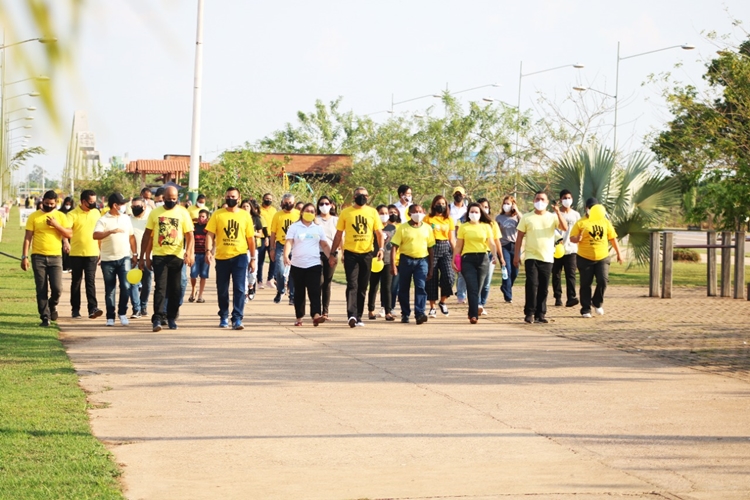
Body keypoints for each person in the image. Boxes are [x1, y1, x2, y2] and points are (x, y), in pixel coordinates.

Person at [140, 186, 195, 331]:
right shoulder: (155, 213)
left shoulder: (183, 212)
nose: (171, 201)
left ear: (177, 198)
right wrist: (144, 256)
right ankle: (157, 318)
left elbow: (190, 235)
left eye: (174, 199)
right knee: (160, 288)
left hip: (176, 256)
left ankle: (171, 317)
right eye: (169, 198)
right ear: (163, 198)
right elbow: (147, 235)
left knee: (176, 289)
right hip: (160, 256)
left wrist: (189, 252)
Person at [329, 187, 384, 328]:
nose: (362, 197)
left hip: (367, 253)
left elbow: (378, 233)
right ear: (354, 197)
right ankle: (351, 315)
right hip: (351, 253)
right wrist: (333, 252)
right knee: (352, 284)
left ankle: (359, 316)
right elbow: (338, 234)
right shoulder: (346, 212)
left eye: (365, 195)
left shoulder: (372, 212)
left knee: (363, 286)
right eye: (359, 195)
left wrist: (381, 249)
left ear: (368, 197)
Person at [513, 191, 568, 324]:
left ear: (548, 202)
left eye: (543, 199)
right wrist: (516, 255)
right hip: (531, 256)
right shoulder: (527, 217)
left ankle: (540, 313)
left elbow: (564, 227)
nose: (540, 202)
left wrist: (558, 212)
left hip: (547, 257)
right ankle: (529, 313)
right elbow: (519, 237)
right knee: (532, 284)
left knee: (543, 287)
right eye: (537, 199)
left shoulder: (552, 217)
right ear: (533, 201)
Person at [205, 187, 256, 330]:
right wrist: (208, 251)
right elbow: (210, 234)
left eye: (233, 196)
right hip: (222, 257)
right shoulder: (218, 214)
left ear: (239, 199)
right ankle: (223, 316)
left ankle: (237, 318)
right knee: (222, 289)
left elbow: (250, 238)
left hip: (240, 256)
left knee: (239, 288)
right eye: (228, 196)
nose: (230, 198)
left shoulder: (245, 216)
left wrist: (253, 258)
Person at [20, 190, 73, 327]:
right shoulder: (34, 217)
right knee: (41, 288)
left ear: (56, 203)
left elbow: (69, 233)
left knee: (57, 288)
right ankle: (45, 317)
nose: (49, 205)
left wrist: (56, 225)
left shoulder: (60, 216)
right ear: (42, 201)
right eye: (47, 203)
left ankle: (52, 305)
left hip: (56, 256)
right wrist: (24, 257)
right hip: (38, 257)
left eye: (52, 204)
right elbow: (27, 238)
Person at [569, 198, 623, 318]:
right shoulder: (581, 223)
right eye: (590, 208)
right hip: (584, 258)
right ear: (586, 209)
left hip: (602, 257)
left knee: (603, 280)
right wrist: (577, 238)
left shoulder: (605, 222)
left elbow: (612, 238)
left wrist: (619, 253)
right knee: (586, 284)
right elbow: (572, 238)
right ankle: (585, 309)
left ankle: (597, 302)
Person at [93, 193, 137, 326]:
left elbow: (131, 237)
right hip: (108, 260)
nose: (124, 206)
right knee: (110, 289)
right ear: (115, 205)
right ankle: (110, 316)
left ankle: (122, 313)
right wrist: (110, 232)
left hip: (124, 257)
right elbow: (95, 235)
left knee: (126, 286)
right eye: (121, 204)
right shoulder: (103, 220)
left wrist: (134, 254)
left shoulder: (126, 218)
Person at [284, 203, 331, 326]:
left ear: (315, 214)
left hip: (314, 263)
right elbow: (289, 242)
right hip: (298, 264)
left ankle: (316, 315)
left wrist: (330, 256)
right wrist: (285, 256)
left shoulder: (318, 228)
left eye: (312, 211)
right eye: (307, 210)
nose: (309, 213)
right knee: (299, 292)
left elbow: (324, 245)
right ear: (302, 212)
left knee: (315, 290)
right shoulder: (295, 227)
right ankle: (299, 317)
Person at [390, 204, 435, 324]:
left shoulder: (427, 228)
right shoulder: (403, 228)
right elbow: (394, 246)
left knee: (420, 286)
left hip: (422, 261)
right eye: (415, 211)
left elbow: (431, 248)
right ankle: (405, 313)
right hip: (406, 260)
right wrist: (393, 265)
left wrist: (431, 267)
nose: (418, 214)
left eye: (420, 211)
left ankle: (420, 313)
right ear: (409, 214)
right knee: (404, 288)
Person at [453, 202, 497, 324]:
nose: (474, 214)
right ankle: (474, 315)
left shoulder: (487, 226)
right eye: (471, 212)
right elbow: (458, 246)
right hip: (468, 259)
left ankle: (471, 310)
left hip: (483, 259)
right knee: (472, 287)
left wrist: (495, 255)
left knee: (478, 288)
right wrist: (454, 260)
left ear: (481, 213)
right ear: (468, 213)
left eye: (476, 212)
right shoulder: (464, 227)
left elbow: (491, 243)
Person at [65, 189, 102, 319]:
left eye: (94, 201)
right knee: (76, 281)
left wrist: (100, 250)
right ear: (83, 201)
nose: (93, 204)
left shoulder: (96, 212)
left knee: (90, 281)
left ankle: (93, 308)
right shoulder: (72, 214)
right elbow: (66, 231)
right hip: (76, 253)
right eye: (90, 202)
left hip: (92, 252)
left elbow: (99, 232)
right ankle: (75, 309)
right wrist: (66, 242)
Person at [424, 195, 455, 317]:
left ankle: (443, 301)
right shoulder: (427, 219)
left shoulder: (449, 220)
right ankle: (432, 307)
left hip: (445, 248)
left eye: (443, 204)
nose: (440, 206)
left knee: (449, 276)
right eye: (438, 203)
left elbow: (452, 239)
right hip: (431, 247)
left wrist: (456, 254)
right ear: (433, 205)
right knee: (431, 277)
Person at [552, 189, 581, 308]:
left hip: (571, 249)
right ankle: (558, 297)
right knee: (556, 274)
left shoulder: (576, 215)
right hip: (557, 249)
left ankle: (571, 297)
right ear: (560, 200)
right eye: (564, 198)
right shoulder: (554, 215)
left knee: (571, 274)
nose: (567, 200)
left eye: (569, 198)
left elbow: (579, 230)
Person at [269, 193, 299, 305]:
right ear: (282, 203)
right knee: (280, 271)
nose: (288, 204)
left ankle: (292, 295)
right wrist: (272, 248)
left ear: (294, 203)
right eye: (286, 202)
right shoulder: (277, 215)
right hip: (281, 245)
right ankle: (280, 290)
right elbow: (273, 233)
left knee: (293, 272)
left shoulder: (298, 214)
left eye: (290, 202)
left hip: (295, 246)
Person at [476, 198, 505, 316]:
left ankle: (482, 304)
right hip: (477, 254)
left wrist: (500, 257)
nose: (483, 209)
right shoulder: (473, 223)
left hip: (489, 254)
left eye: (485, 207)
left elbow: (497, 241)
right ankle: (476, 304)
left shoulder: (492, 223)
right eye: (481, 207)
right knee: (478, 281)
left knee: (486, 282)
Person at [367, 204, 396, 321]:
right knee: (373, 286)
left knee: (387, 287)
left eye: (386, 213)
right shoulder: (372, 227)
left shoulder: (392, 228)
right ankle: (371, 310)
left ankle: (388, 311)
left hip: (388, 260)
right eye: (381, 213)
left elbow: (394, 245)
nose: (384, 216)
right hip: (374, 260)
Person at [315, 195, 339, 320]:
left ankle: (325, 311)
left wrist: (339, 252)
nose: (324, 206)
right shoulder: (315, 219)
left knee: (327, 283)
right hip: (317, 253)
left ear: (331, 205)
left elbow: (341, 237)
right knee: (319, 281)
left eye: (326, 203)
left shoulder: (336, 220)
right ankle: (317, 311)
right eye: (321, 203)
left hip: (332, 254)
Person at [496, 195, 521, 303]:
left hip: (515, 246)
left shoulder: (517, 217)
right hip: (504, 246)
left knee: (515, 272)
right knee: (507, 269)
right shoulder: (499, 218)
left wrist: (517, 211)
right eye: (504, 203)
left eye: (508, 204)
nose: (506, 205)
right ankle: (508, 295)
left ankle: (505, 287)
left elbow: (524, 223)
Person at [129, 197, 151, 318]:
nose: (135, 209)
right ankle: (136, 308)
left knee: (147, 284)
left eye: (138, 206)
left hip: (148, 256)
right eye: (133, 207)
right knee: (134, 283)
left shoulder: (149, 220)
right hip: (132, 256)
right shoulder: (128, 220)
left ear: (144, 206)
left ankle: (143, 306)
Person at [450, 187, 469, 304]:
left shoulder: (468, 210)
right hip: (449, 242)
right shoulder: (448, 208)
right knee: (453, 269)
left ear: (464, 195)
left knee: (462, 270)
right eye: (456, 194)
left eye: (460, 194)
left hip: (464, 242)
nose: (458, 196)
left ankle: (461, 293)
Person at [246, 199, 266, 301]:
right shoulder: (239, 218)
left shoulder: (256, 219)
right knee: (243, 272)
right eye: (243, 206)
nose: (245, 208)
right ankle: (245, 292)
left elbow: (260, 233)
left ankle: (251, 286)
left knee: (252, 273)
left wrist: (251, 233)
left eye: (247, 206)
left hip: (253, 249)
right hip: (242, 249)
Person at [188, 209, 209, 303]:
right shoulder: (194, 227)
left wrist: (211, 252)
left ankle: (200, 295)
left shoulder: (209, 228)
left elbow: (213, 240)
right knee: (193, 275)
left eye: (203, 217)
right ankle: (193, 290)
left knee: (203, 275)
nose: (201, 218)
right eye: (200, 216)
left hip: (205, 254)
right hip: (194, 254)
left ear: (207, 218)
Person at [258, 192, 276, 289]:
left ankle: (270, 279)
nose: (268, 200)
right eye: (266, 198)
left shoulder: (274, 210)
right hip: (261, 237)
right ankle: (259, 281)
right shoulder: (259, 210)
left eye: (270, 199)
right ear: (263, 199)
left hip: (271, 236)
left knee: (273, 259)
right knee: (260, 260)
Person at [387, 204, 402, 314]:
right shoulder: (382, 227)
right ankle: (385, 306)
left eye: (395, 212)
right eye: (390, 212)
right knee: (386, 286)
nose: (393, 215)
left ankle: (391, 307)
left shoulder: (401, 227)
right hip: (386, 260)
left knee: (395, 287)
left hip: (399, 260)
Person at [59, 196, 74, 273]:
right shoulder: (60, 212)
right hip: (62, 233)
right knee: (63, 250)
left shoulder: (73, 213)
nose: (67, 206)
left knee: (70, 251)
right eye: (66, 204)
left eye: (69, 204)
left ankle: (70, 266)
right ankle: (64, 266)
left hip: (71, 234)